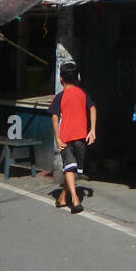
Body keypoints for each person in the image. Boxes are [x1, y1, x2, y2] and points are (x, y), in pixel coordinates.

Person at [50, 62, 96, 213]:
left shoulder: (60, 96)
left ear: (61, 79)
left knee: (70, 168)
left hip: (65, 137)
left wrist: (57, 138)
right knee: (72, 169)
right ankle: (72, 200)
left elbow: (54, 118)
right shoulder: (83, 94)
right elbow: (93, 108)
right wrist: (92, 130)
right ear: (77, 78)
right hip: (81, 136)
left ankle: (67, 198)